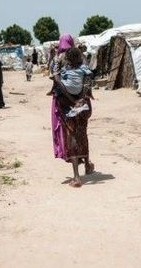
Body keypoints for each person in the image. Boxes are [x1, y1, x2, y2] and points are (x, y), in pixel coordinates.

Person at [50, 34, 94, 188]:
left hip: (65, 103)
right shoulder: (81, 56)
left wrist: (71, 98)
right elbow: (88, 79)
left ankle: (76, 177)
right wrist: (81, 98)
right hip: (83, 102)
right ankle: (87, 164)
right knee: (83, 132)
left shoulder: (57, 59)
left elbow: (54, 78)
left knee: (71, 135)